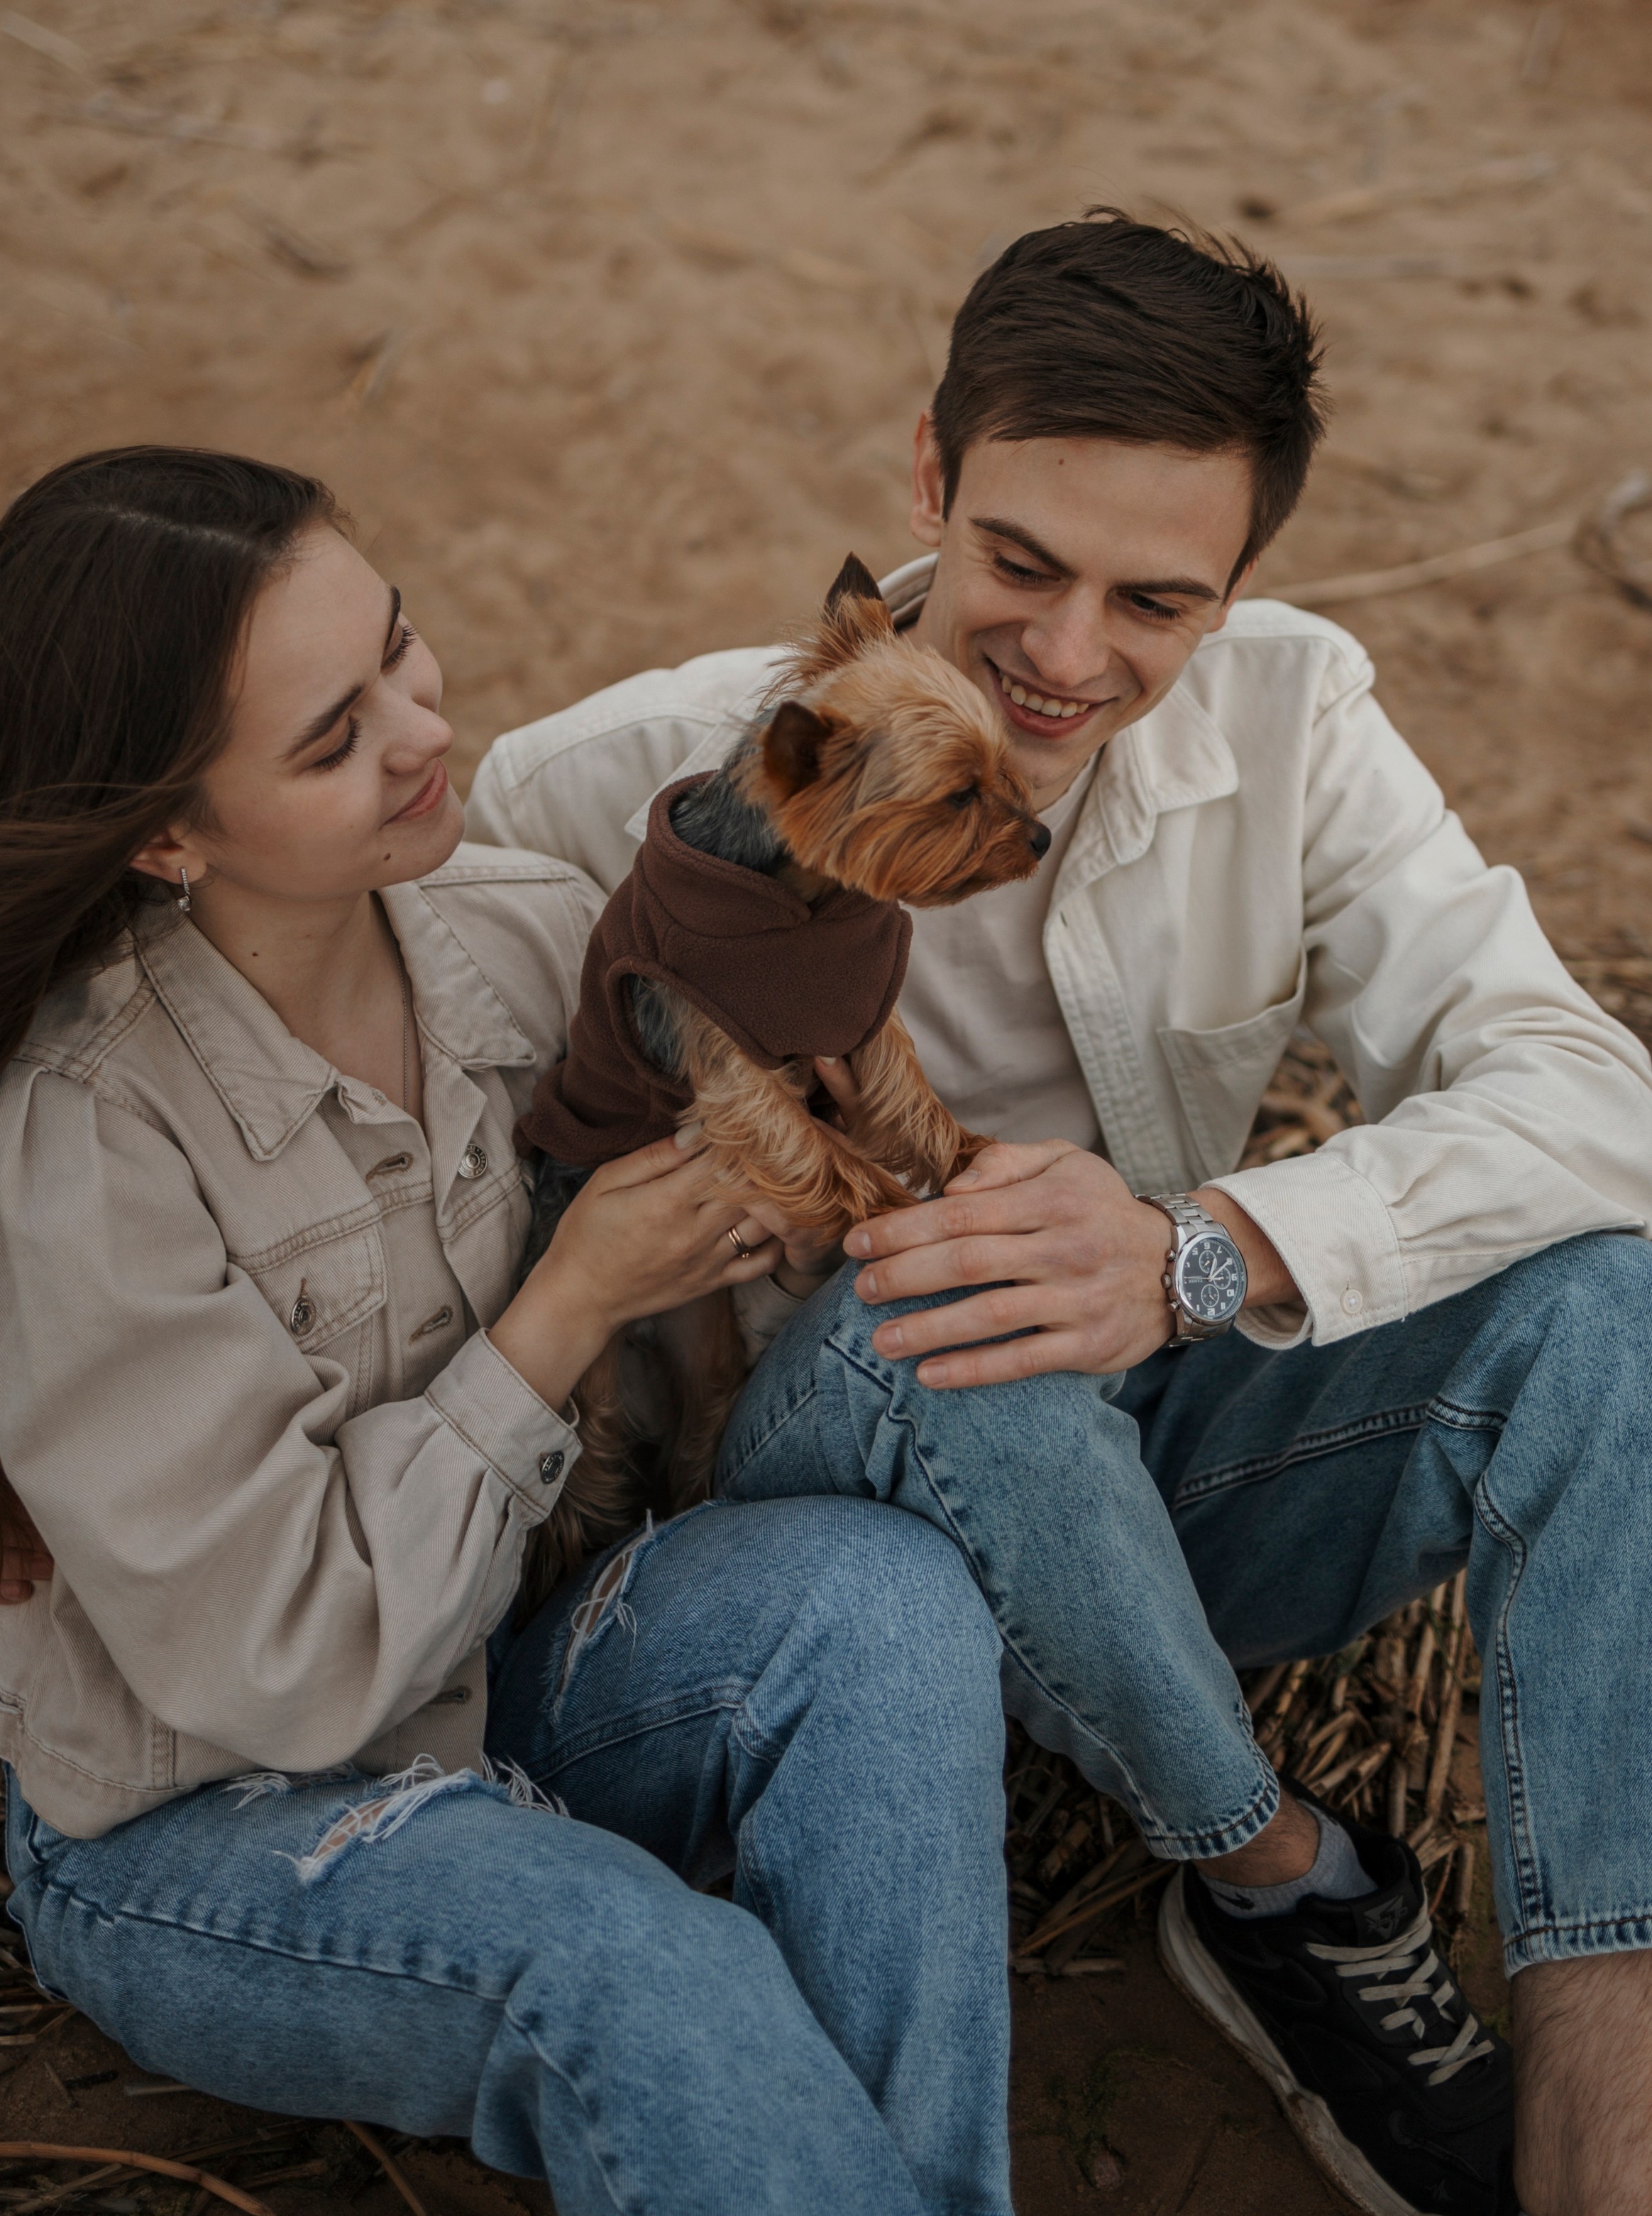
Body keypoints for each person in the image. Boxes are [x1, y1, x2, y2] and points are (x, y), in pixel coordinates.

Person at [465, 213, 1652, 2216]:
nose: (1070, 658)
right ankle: (1279, 1881)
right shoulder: (613, 784)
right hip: (805, 1516)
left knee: (1613, 1312)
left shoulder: (1298, 720)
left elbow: (1593, 1091)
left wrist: (1199, 1253)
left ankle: (1603, 2094)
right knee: (950, 1292)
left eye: (1158, 600)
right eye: (1020, 563)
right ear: (931, 474)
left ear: (1239, 590)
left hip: (1152, 1483)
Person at [0, 447, 1018, 2216]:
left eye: (401, 648)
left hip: (500, 1681)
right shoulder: (78, 1133)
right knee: (645, 1963)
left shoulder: (527, 926)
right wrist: (567, 1305)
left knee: (882, 1600)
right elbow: (281, 1674)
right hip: (218, 1812)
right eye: (331, 738)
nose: (420, 730)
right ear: (163, 832)